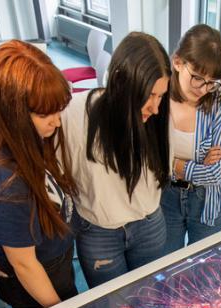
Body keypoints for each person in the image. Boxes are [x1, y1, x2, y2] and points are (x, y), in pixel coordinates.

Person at [0, 40, 78, 308]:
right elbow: (24, 265)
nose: (57, 122)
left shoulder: (25, 139)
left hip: (53, 263)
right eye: (44, 114)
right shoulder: (3, 182)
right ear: (12, 113)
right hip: (35, 283)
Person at [61, 32, 171, 288]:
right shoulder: (75, 113)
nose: (156, 108)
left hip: (148, 224)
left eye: (161, 96)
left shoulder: (158, 115)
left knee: (152, 299)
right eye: (149, 95)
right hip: (99, 232)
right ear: (122, 83)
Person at [161, 24, 221, 252]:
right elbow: (145, 159)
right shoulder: (159, 97)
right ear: (178, 62)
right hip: (165, 197)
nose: (204, 89)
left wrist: (172, 164)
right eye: (198, 78)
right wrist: (185, 166)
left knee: (206, 273)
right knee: (165, 270)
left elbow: (215, 172)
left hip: (206, 202)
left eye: (212, 82)